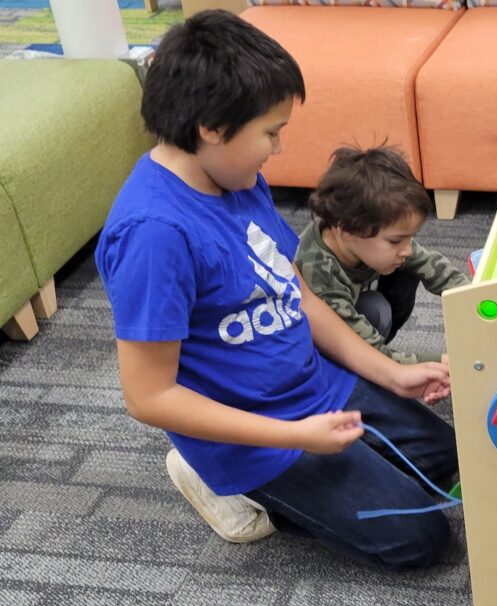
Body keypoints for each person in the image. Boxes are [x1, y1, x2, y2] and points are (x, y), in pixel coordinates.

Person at [94, 10, 457, 569]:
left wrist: (392, 372)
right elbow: (149, 397)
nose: (278, 149)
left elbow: (300, 297)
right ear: (212, 128)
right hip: (257, 435)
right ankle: (217, 479)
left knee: (447, 459)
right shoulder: (153, 236)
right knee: (421, 541)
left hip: (313, 386)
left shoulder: (237, 179)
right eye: (270, 132)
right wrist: (297, 437)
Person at [296, 146, 469, 365]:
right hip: (325, 346)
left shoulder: (362, 235)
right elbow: (369, 354)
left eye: (409, 238)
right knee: (376, 311)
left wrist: (473, 296)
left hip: (356, 302)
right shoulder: (321, 277)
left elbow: (431, 264)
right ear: (349, 231)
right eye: (396, 241)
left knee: (406, 268)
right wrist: (445, 362)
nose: (407, 248)